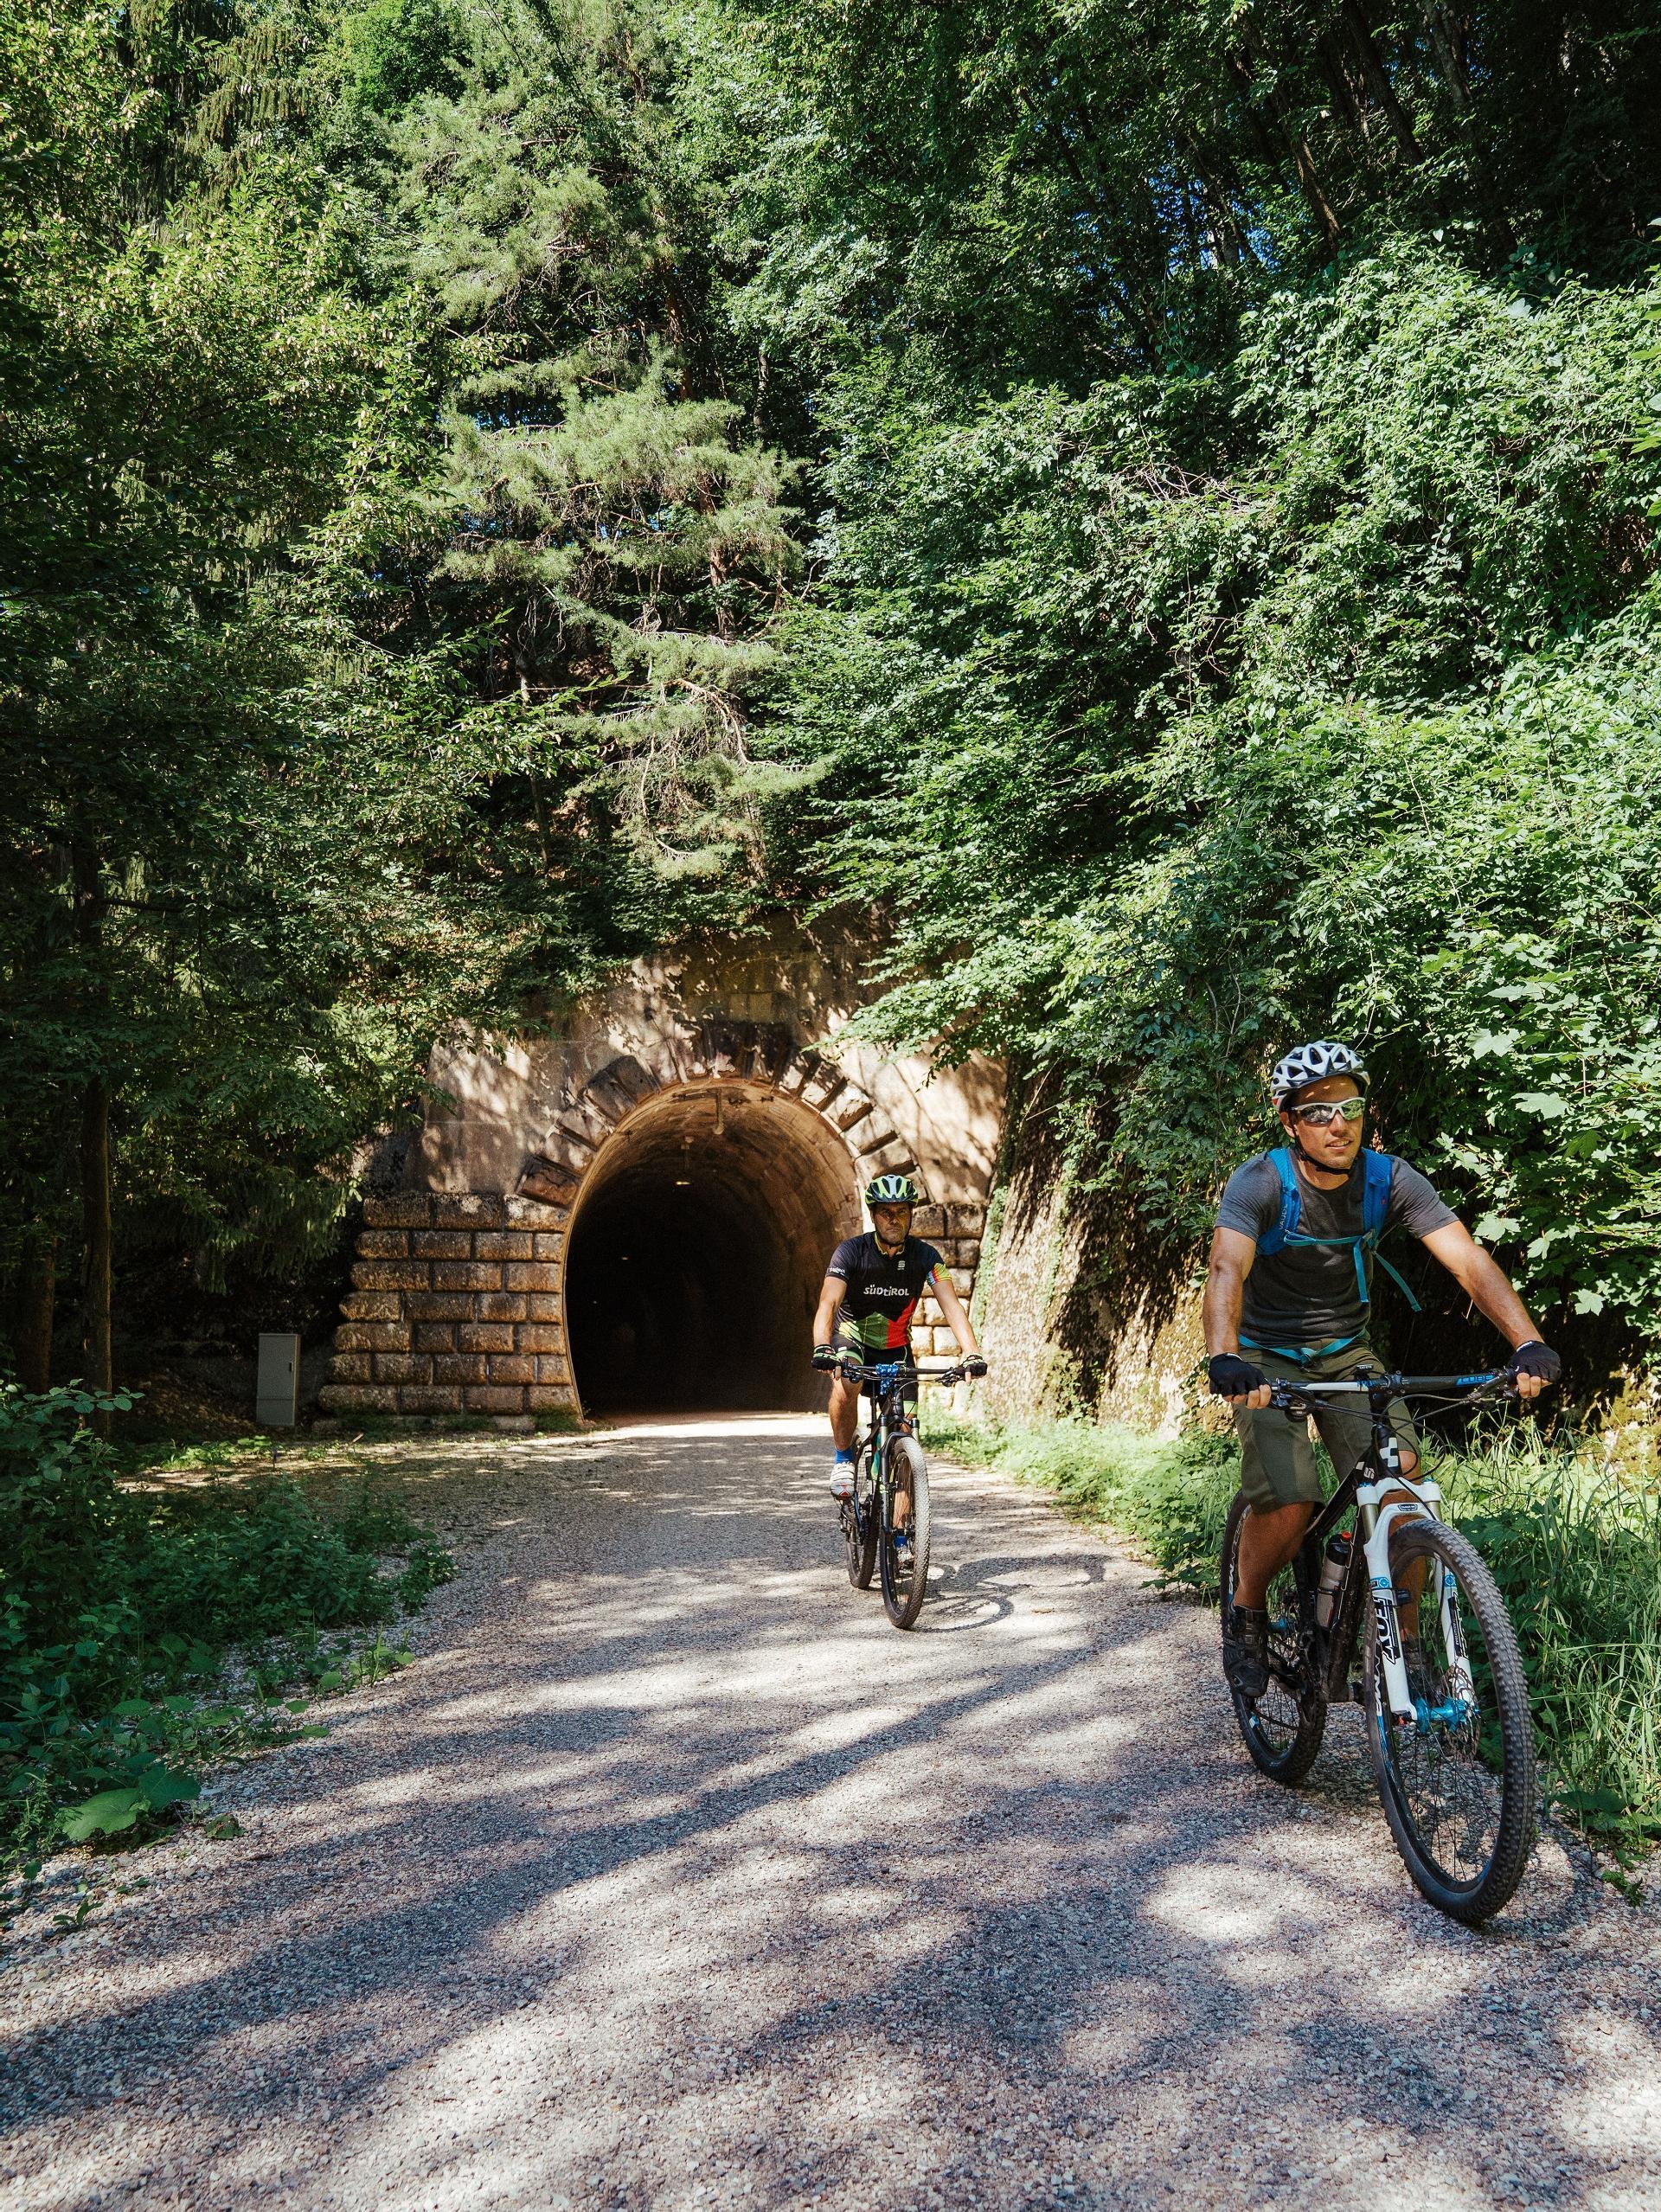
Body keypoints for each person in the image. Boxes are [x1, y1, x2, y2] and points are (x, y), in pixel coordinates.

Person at [1203, 1039, 1561, 1700]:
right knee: (1289, 1500)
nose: (1338, 1122)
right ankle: (1247, 1612)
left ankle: (1406, 1647)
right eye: (1318, 1111)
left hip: (1346, 1350)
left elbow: (1469, 1262)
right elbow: (1227, 1268)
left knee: (1405, 1493)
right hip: (1262, 1354)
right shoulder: (1261, 1182)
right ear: (1290, 1121)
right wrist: (1225, 1356)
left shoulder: (1388, 1179)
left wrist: (1527, 1342)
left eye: (1350, 1107)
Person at [811, 1173, 986, 1497]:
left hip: (896, 1349)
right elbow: (828, 1302)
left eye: (902, 1212)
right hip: (853, 1341)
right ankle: (843, 1459)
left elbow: (951, 1306)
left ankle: (904, 1544)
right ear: (874, 1215)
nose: (895, 1219)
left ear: (911, 1214)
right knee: (847, 1380)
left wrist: (971, 1352)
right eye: (887, 1212)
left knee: (906, 1440)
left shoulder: (927, 1257)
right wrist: (823, 1347)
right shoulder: (850, 1253)